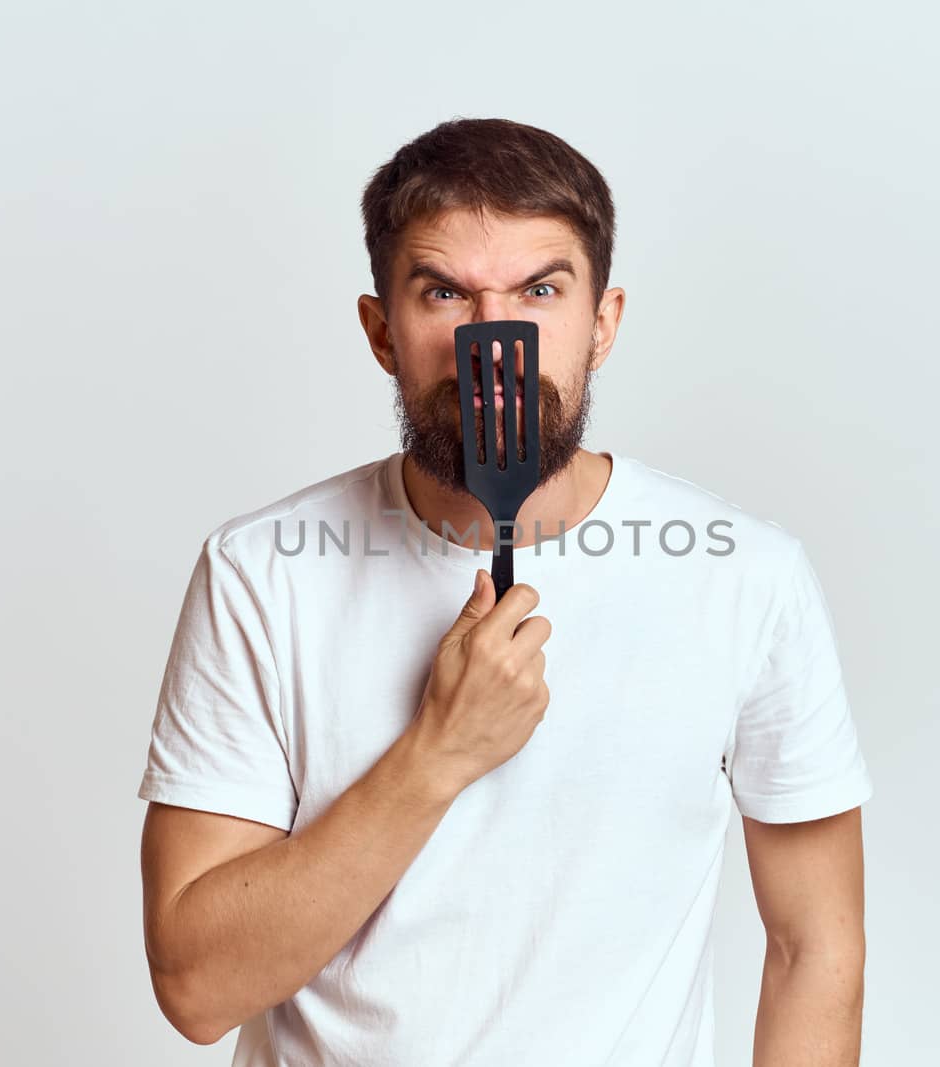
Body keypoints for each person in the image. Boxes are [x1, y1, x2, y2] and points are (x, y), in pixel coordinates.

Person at [137, 117, 874, 1066]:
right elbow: (197, 988)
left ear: (601, 323)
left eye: (540, 288)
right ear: (379, 330)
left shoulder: (746, 576)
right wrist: (438, 754)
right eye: (444, 291)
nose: (493, 334)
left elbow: (815, 947)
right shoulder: (262, 573)